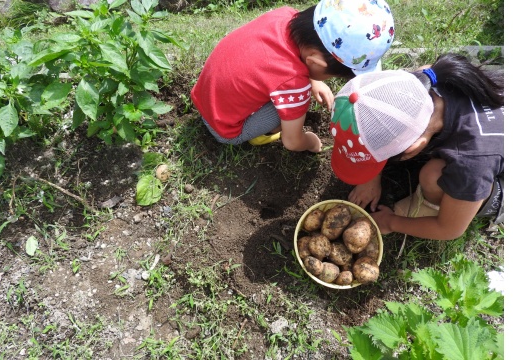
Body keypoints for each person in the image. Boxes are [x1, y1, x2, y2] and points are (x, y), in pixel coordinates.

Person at [328, 53, 503, 240]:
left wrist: (391, 222)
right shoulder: (425, 78)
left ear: (414, 147)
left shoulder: (472, 163)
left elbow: (449, 230)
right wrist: (371, 177)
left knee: (432, 176)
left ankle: (437, 206)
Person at [191, 0, 395, 152]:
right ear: (315, 62)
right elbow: (292, 142)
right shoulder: (293, 84)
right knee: (289, 109)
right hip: (224, 129)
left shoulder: (285, 15)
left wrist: (313, 79)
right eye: (332, 75)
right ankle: (256, 133)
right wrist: (311, 141)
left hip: (204, 96)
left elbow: (288, 56)